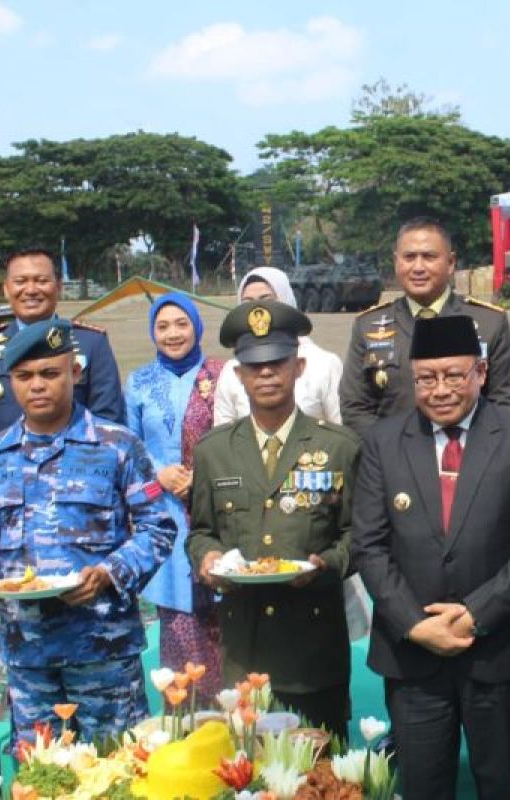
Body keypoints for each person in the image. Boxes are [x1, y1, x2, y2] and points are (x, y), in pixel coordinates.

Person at [351, 314, 510, 800]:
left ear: (481, 373)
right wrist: (413, 623)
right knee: (423, 784)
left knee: (501, 784)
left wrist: (475, 615)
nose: (440, 389)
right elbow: (369, 545)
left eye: (454, 375)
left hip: (498, 649)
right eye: (426, 377)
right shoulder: (384, 441)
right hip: (413, 655)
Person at [0, 319, 178, 745]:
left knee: (119, 774)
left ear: (75, 374)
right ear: (10, 382)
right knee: (43, 777)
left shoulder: (117, 445)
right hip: (28, 655)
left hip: (103, 653)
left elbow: (158, 526)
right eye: (24, 376)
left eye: (49, 373)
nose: (37, 386)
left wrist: (111, 572)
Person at [187, 299, 360, 740]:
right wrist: (208, 561)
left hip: (314, 643)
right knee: (250, 770)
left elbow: (357, 535)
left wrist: (327, 564)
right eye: (254, 365)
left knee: (326, 773)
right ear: (238, 374)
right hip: (246, 645)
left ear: (298, 367)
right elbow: (202, 531)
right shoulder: (213, 450)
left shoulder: (339, 447)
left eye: (277, 362)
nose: (266, 373)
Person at [124, 293, 225, 700]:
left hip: (219, 512)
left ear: (197, 327)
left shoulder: (224, 375)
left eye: (181, 324)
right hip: (166, 518)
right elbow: (127, 449)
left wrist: (205, 475)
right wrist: (158, 475)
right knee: (179, 628)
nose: (172, 334)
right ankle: (186, 732)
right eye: (162, 326)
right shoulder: (138, 383)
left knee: (226, 620)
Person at [340, 217, 510, 436]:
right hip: (393, 460)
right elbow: (355, 407)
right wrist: (390, 454)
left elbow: (504, 402)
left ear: (451, 263)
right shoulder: (368, 325)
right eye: (409, 257)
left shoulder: (490, 322)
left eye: (429, 257)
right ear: (396, 262)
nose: (418, 267)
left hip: (470, 458)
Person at [0, 248, 125, 460]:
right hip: (5, 477)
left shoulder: (91, 342)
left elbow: (108, 415)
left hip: (77, 477)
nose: (31, 290)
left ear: (59, 287)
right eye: (20, 281)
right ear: (6, 289)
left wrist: (70, 466)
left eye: (41, 280)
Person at [215, 266, 343, 426]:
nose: (258, 310)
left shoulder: (325, 364)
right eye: (247, 303)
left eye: (267, 300)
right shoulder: (231, 371)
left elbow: (341, 433)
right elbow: (222, 438)